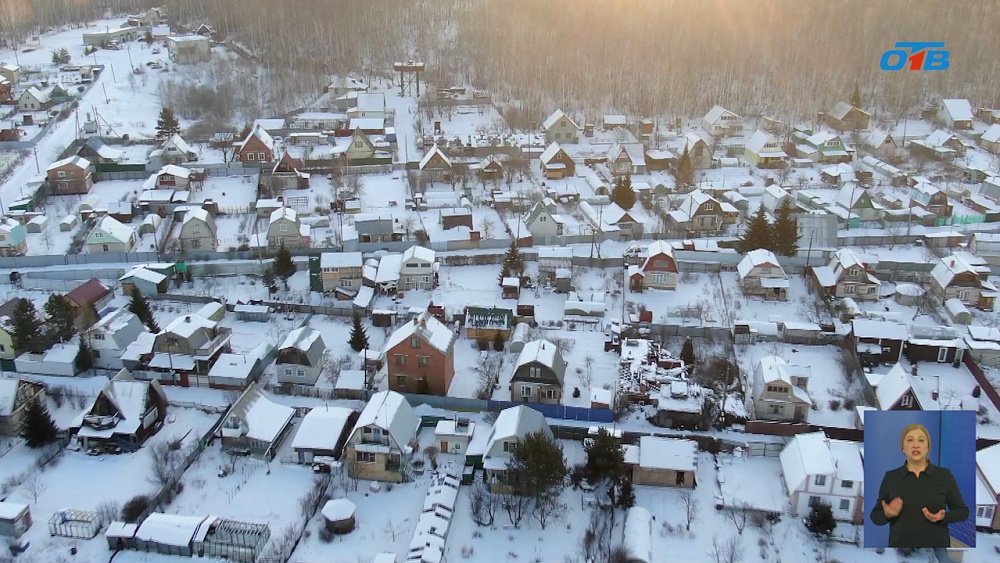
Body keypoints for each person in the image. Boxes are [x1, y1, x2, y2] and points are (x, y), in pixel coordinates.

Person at [869, 424, 969, 562]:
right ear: (903, 448)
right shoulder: (891, 477)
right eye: (910, 440)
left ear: (928, 447)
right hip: (901, 550)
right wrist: (887, 514)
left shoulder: (944, 476)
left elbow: (963, 511)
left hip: (936, 551)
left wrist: (943, 517)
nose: (915, 445)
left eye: (921, 440)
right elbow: (875, 516)